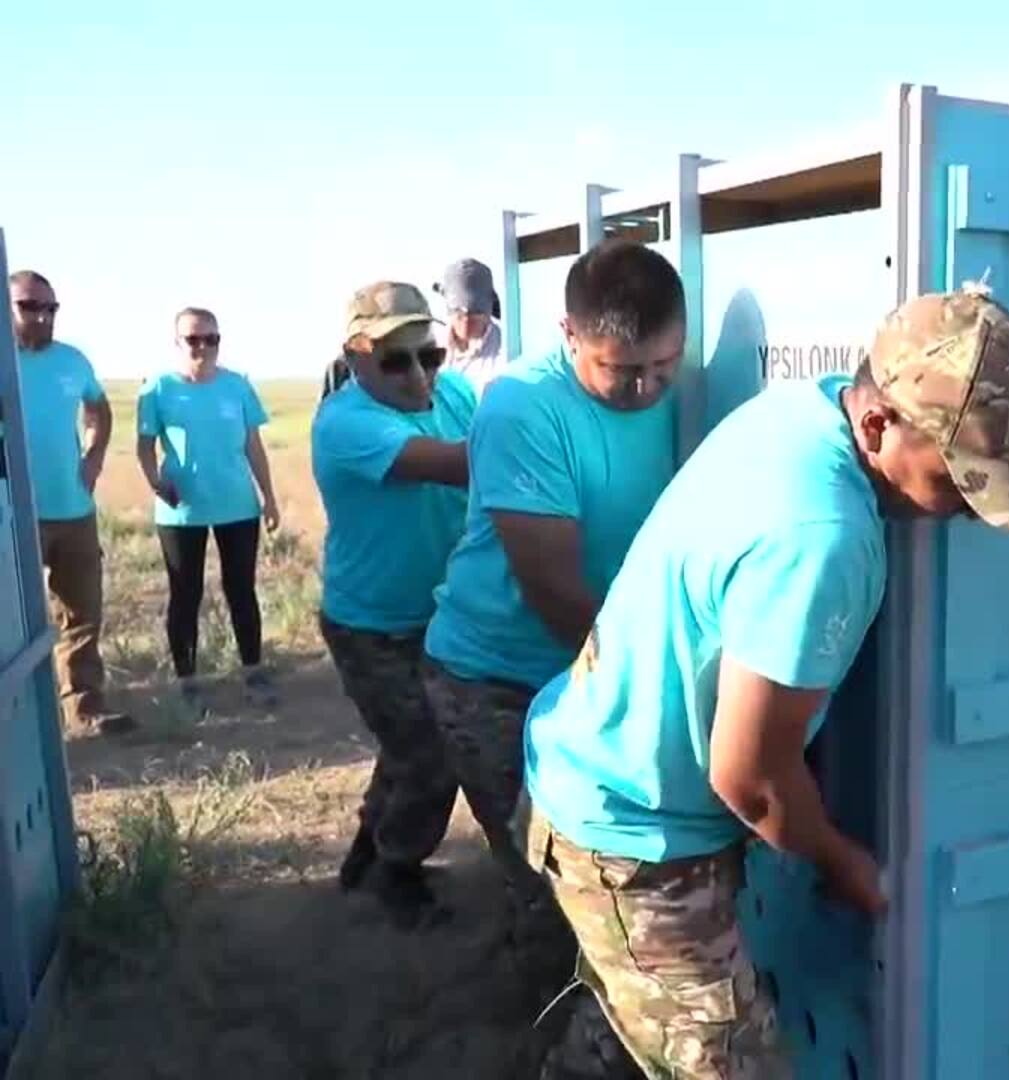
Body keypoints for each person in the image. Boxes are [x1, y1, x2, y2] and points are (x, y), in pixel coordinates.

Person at [521, 285, 1009, 1079]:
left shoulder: (805, 410)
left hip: (599, 772)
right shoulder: (823, 537)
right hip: (633, 839)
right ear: (879, 424)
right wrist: (842, 861)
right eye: (962, 480)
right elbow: (750, 778)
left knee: (642, 1011)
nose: (973, 509)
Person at [422, 238, 685, 1005]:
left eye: (664, 366)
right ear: (569, 335)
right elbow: (557, 596)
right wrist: (659, 699)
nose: (645, 388)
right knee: (548, 879)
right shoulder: (523, 407)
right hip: (499, 680)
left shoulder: (676, 392)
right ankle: (541, 1025)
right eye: (621, 371)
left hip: (595, 664)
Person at [311, 281, 476, 930]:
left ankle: (366, 857)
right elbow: (456, 465)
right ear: (355, 358)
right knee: (431, 751)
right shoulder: (345, 423)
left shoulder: (454, 395)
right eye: (395, 361)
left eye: (428, 356)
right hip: (372, 627)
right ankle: (396, 873)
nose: (418, 375)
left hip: (439, 615)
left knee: (407, 746)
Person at [135, 307, 281, 712]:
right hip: (181, 510)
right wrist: (156, 482)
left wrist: (269, 496)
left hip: (238, 505)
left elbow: (253, 445)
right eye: (193, 340)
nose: (203, 347)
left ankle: (253, 672)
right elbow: (144, 446)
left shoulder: (237, 386)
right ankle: (188, 682)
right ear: (177, 343)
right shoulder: (158, 389)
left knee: (242, 589)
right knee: (186, 594)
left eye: (211, 339)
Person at [8, 270, 134, 735]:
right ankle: (17, 717)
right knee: (10, 619)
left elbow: (98, 407)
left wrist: (94, 456)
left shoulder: (72, 361)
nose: (42, 316)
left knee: (82, 616)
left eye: (50, 308)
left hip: (73, 508)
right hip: (13, 514)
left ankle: (84, 710)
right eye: (29, 306)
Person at [433, 257, 510, 394]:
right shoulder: (430, 348)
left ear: (489, 309)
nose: (467, 320)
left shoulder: (508, 348)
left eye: (476, 312)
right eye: (458, 312)